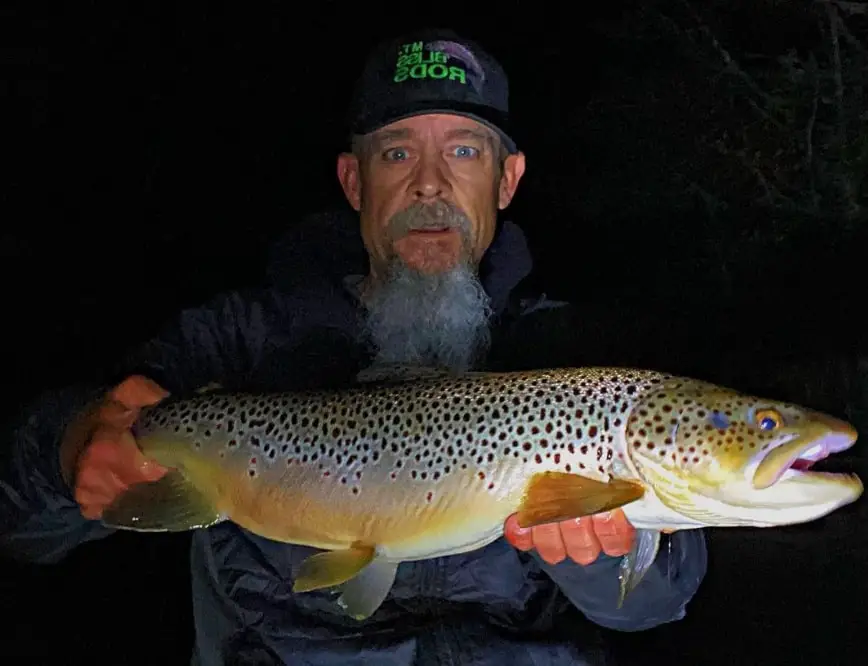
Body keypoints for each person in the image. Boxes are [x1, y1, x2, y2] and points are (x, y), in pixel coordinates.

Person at [1, 29, 707, 666]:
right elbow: (22, 527)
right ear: (352, 180)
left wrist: (592, 558)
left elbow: (655, 606)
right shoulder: (238, 341)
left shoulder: (572, 355)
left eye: (464, 150)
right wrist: (70, 448)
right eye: (397, 152)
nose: (430, 182)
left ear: (507, 179)